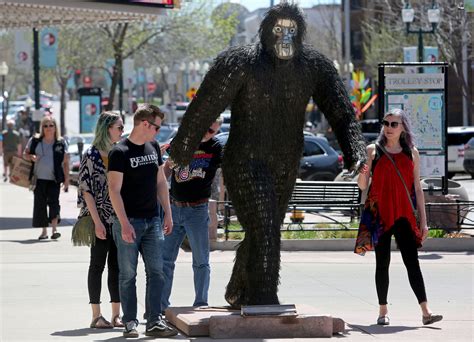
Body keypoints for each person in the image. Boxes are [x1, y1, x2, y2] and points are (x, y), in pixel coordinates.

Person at [169, 3, 366, 308]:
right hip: (245, 160)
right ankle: (264, 300)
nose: (285, 37)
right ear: (265, 32)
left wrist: (355, 152)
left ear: (299, 33)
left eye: (291, 30)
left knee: (265, 229)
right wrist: (181, 150)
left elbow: (341, 112)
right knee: (265, 226)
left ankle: (237, 289)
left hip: (286, 162)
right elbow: (203, 108)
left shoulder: (314, 65)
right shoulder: (240, 62)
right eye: (278, 30)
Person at [354, 108, 443, 326]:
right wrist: (364, 169)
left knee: (412, 263)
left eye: (394, 124)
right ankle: (383, 310)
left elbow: (418, 189)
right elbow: (362, 185)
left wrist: (424, 221)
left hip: (404, 214)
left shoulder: (411, 152)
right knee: (382, 263)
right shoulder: (373, 150)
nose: (389, 128)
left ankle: (426, 311)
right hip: (381, 216)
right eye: (386, 123)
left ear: (403, 128)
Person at [108, 104, 177, 338]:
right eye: (156, 127)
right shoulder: (120, 151)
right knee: (128, 275)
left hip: (153, 220)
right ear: (145, 124)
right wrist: (124, 223)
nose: (159, 132)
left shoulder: (154, 146)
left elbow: (160, 182)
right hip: (129, 222)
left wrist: (167, 212)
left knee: (157, 272)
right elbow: (114, 190)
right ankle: (129, 322)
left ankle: (154, 320)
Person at [161, 117, 223, 312]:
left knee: (201, 260)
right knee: (165, 261)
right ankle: (161, 306)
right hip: (174, 207)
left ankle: (201, 303)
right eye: (204, 128)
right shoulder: (183, 142)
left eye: (211, 131)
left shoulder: (216, 148)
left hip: (197, 209)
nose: (206, 133)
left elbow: (225, 173)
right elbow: (167, 169)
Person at [77, 111, 124, 329]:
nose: (122, 132)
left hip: (118, 218)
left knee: (117, 266)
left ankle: (116, 314)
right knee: (97, 265)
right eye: (119, 128)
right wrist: (97, 222)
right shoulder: (91, 154)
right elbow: (86, 191)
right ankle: (96, 315)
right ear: (107, 129)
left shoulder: (119, 152)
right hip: (99, 218)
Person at [23, 116, 69, 240]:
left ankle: (54, 230)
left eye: (51, 125)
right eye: (45, 125)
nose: (48, 128)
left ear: (55, 127)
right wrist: (31, 157)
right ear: (42, 128)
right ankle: (44, 232)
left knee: (54, 203)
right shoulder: (35, 140)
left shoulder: (61, 142)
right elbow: (25, 154)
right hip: (38, 179)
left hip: (55, 179)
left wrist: (67, 180)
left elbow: (66, 162)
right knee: (40, 204)